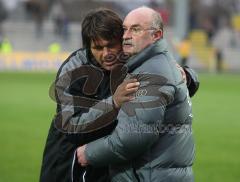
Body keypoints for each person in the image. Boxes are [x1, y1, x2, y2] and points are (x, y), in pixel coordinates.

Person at [75, 7, 196, 181]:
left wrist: (88, 153)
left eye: (136, 29)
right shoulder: (154, 64)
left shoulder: (150, 73)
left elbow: (133, 137)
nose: (126, 36)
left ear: (156, 35)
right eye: (125, 29)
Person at [40, 8, 139, 182]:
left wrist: (187, 76)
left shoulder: (130, 59)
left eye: (111, 45)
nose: (106, 54)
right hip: (68, 162)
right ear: (88, 46)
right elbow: (72, 128)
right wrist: (113, 103)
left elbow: (166, 79)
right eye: (98, 47)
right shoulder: (73, 72)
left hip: (105, 160)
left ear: (121, 40)